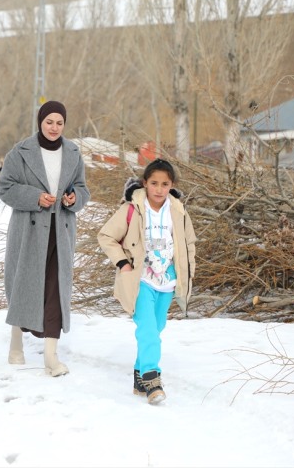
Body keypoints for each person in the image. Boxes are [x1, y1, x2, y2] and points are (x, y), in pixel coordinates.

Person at [0, 100, 90, 377]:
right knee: (23, 285)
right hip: (28, 231)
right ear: (40, 122)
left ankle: (51, 355)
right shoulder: (21, 151)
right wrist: (35, 197)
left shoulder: (73, 152)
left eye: (59, 123)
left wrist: (74, 199)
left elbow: (83, 189)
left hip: (60, 233)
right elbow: (5, 188)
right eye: (49, 122)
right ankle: (16, 342)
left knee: (55, 290)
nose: (54, 127)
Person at [97, 158, 196, 404]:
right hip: (140, 279)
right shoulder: (132, 208)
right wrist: (123, 263)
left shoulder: (178, 211)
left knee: (156, 328)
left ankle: (139, 376)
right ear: (145, 183)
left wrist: (187, 272)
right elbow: (106, 236)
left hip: (168, 280)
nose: (159, 189)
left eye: (165, 184)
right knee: (149, 330)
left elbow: (188, 244)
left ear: (171, 185)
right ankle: (152, 378)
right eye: (154, 183)